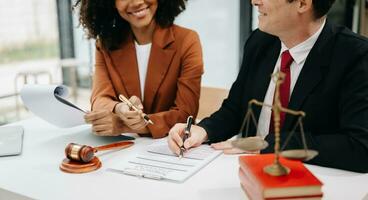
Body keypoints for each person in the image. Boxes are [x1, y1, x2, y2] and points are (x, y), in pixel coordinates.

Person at [168, 0, 368, 173]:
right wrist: (203, 131)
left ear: (302, 3)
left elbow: (360, 146)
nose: (254, 2)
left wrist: (270, 145)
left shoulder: (355, 55)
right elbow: (236, 110)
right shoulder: (260, 41)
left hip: (310, 182)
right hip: (245, 174)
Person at [75, 0, 203, 138]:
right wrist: (119, 108)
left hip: (170, 147)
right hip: (124, 149)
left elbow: (185, 114)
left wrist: (123, 125)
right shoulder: (105, 44)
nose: (136, 2)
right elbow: (100, 98)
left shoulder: (186, 40)